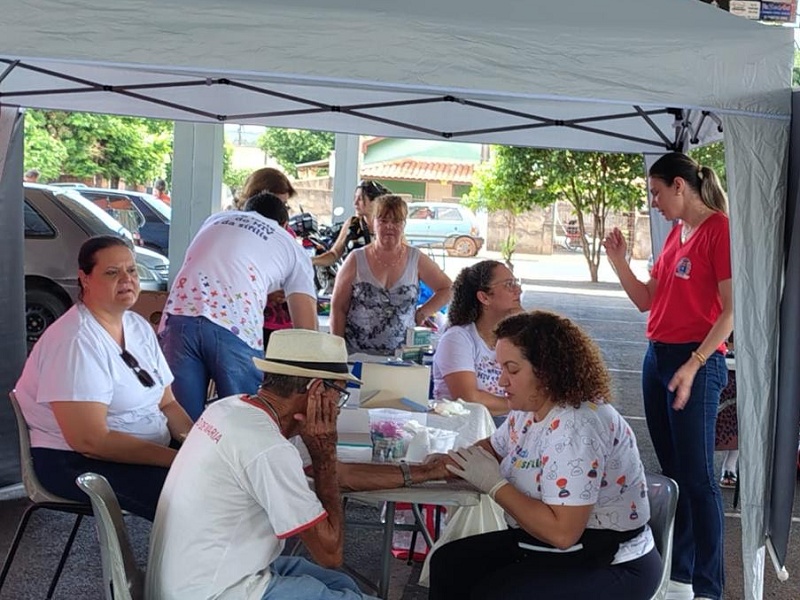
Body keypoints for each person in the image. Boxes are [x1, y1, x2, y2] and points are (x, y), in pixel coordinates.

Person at [146, 329, 451, 600]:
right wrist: (325, 451)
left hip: (194, 575)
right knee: (348, 588)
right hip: (217, 590)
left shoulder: (231, 408)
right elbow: (330, 552)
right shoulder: (267, 447)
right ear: (317, 390)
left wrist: (425, 472)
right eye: (338, 393)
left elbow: (339, 476)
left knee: (341, 583)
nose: (338, 406)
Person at [428, 311, 661, 600]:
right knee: (450, 563)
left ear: (548, 371)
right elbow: (492, 449)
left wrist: (495, 485)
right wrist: (438, 465)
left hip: (612, 562)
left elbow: (562, 534)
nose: (501, 381)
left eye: (511, 370)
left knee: (496, 594)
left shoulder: (575, 426)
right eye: (500, 368)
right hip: (556, 547)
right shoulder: (530, 411)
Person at [603, 151, 732, 600]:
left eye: (657, 193)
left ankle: (708, 587)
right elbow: (645, 299)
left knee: (699, 478)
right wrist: (618, 260)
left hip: (696, 360)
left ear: (681, 186)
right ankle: (678, 575)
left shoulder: (719, 229)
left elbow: (732, 312)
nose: (653, 202)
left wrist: (695, 364)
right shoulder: (677, 233)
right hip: (657, 357)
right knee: (675, 475)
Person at [14, 235, 193, 520]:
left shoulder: (138, 327)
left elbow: (168, 404)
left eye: (131, 270)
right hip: (74, 462)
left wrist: (195, 446)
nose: (126, 279)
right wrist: (179, 461)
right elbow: (90, 441)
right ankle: (183, 565)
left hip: (142, 451)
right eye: (112, 272)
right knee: (198, 498)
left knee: (224, 482)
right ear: (84, 279)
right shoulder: (75, 340)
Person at [158, 192, 318, 421]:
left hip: (179, 316)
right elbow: (306, 331)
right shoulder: (290, 245)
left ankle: (181, 456)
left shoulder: (215, 220)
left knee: (181, 422)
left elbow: (222, 268)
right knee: (243, 423)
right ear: (284, 225)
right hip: (233, 324)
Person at [330, 194, 452, 355]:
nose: (389, 226)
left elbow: (448, 288)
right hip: (356, 356)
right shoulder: (356, 259)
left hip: (402, 358)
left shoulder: (416, 259)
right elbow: (338, 308)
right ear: (373, 223)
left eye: (396, 221)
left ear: (404, 225)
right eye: (383, 221)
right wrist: (337, 354)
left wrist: (423, 312)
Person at [432, 260, 523, 424]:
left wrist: (529, 326)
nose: (518, 290)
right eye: (509, 284)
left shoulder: (514, 338)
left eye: (516, 283)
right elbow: (469, 398)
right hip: (467, 429)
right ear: (484, 297)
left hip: (508, 426)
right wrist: (521, 403)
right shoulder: (458, 338)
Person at [312, 179, 391, 268]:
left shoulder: (389, 227)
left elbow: (403, 255)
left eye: (360, 199)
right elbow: (334, 254)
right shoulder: (352, 224)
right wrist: (312, 260)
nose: (355, 203)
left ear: (375, 202)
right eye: (355, 198)